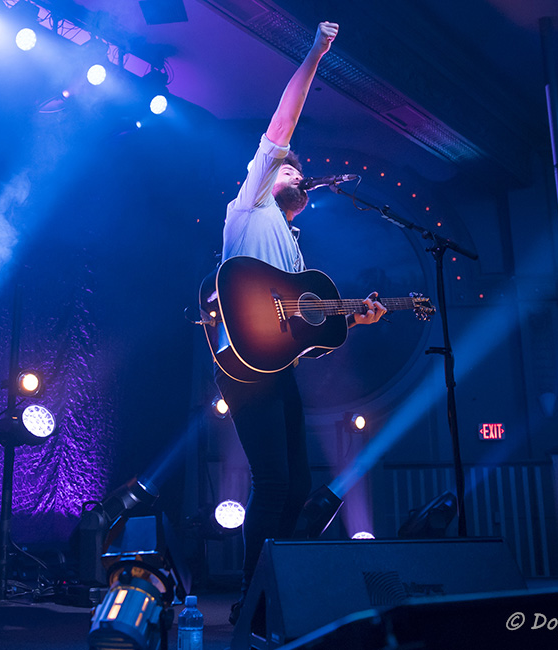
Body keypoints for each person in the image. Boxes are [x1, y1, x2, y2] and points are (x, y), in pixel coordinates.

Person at [216, 21, 387, 624]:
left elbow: (300, 337)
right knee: (273, 478)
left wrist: (352, 321)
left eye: (294, 169)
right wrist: (315, 52)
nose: (295, 168)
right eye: (288, 166)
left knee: (296, 482)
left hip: (273, 364)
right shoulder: (252, 204)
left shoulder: (291, 248)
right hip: (242, 364)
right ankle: (251, 598)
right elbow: (283, 124)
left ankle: (277, 587)